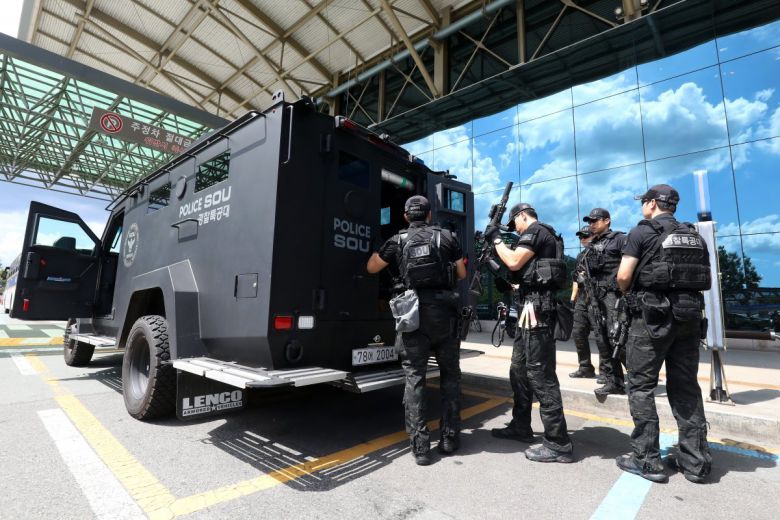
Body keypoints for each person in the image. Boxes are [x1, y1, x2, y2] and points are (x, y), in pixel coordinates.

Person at [615, 184, 712, 483]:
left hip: (652, 319)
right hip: (689, 318)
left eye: (643, 201)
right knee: (686, 388)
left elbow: (623, 276)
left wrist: (627, 291)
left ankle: (647, 460)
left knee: (641, 386)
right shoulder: (694, 236)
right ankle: (695, 462)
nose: (642, 206)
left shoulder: (641, 232)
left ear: (652, 203)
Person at [366, 195, 467, 466]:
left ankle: (421, 448)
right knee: (450, 377)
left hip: (412, 317)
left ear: (406, 216)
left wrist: (380, 251)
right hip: (444, 315)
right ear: (430, 215)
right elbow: (461, 274)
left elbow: (372, 267)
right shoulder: (447, 237)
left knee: (414, 379)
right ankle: (449, 438)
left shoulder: (397, 240)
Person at [485, 203, 573, 463]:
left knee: (540, 375)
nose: (515, 228)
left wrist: (496, 238)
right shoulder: (544, 235)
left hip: (538, 313)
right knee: (519, 370)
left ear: (523, 215)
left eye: (516, 223)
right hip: (529, 309)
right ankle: (521, 425)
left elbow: (513, 260)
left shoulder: (536, 231)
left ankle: (558, 442)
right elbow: (523, 272)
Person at [583, 208, 627, 396]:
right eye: (590, 221)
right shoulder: (592, 244)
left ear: (607, 220)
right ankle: (613, 381)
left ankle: (639, 376)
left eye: (596, 220)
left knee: (617, 339)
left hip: (614, 296)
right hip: (595, 296)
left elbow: (630, 266)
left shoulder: (620, 239)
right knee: (602, 340)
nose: (592, 224)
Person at [569, 226, 598, 380]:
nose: (582, 239)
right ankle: (585, 367)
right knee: (578, 332)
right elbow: (576, 279)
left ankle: (608, 372)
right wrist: (572, 299)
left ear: (594, 236)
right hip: (582, 298)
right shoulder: (581, 255)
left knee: (602, 336)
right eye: (580, 237)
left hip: (598, 298)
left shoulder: (601, 252)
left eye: (585, 236)